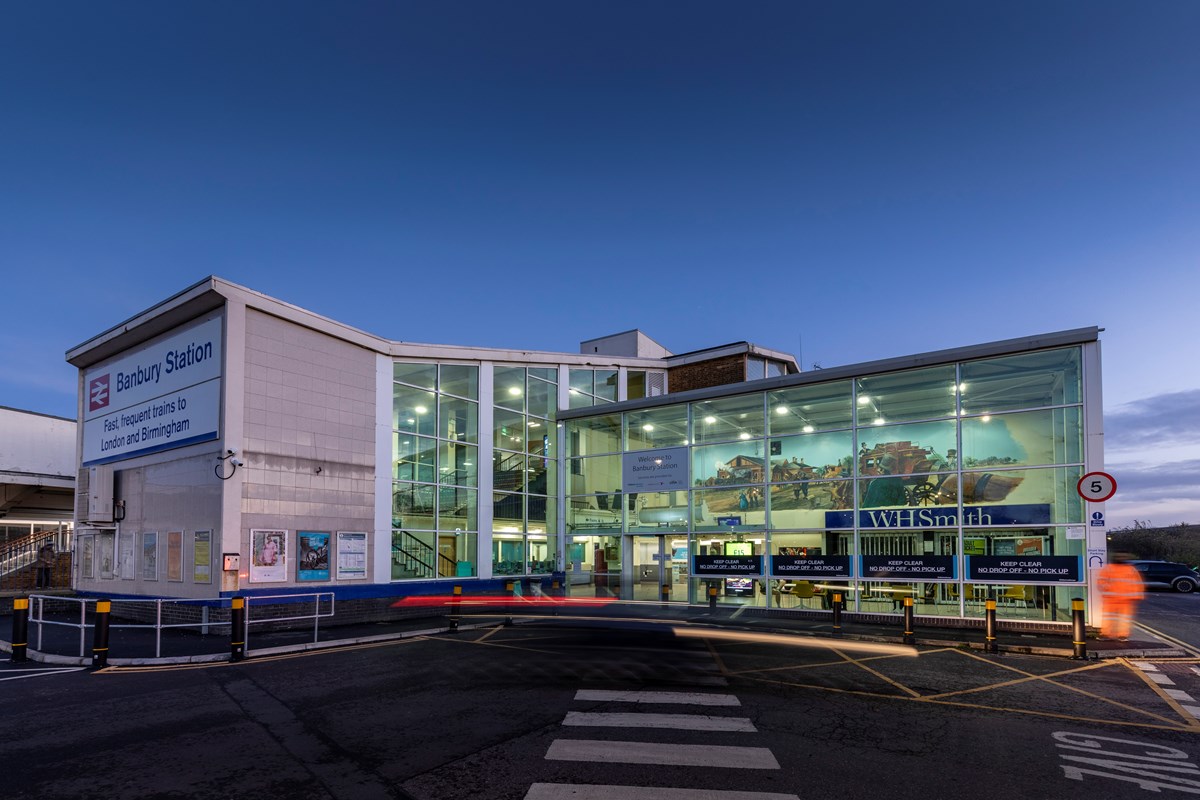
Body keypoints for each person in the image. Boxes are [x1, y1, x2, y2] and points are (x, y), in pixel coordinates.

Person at [1097, 554, 1144, 641]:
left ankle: (1122, 635)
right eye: (1119, 556)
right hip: (1111, 598)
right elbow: (1101, 581)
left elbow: (1137, 583)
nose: (1121, 558)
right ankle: (1105, 634)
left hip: (1124, 600)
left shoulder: (1130, 569)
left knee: (1124, 619)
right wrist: (1107, 588)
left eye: (1123, 556)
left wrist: (1137, 595)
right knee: (1108, 618)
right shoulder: (1109, 568)